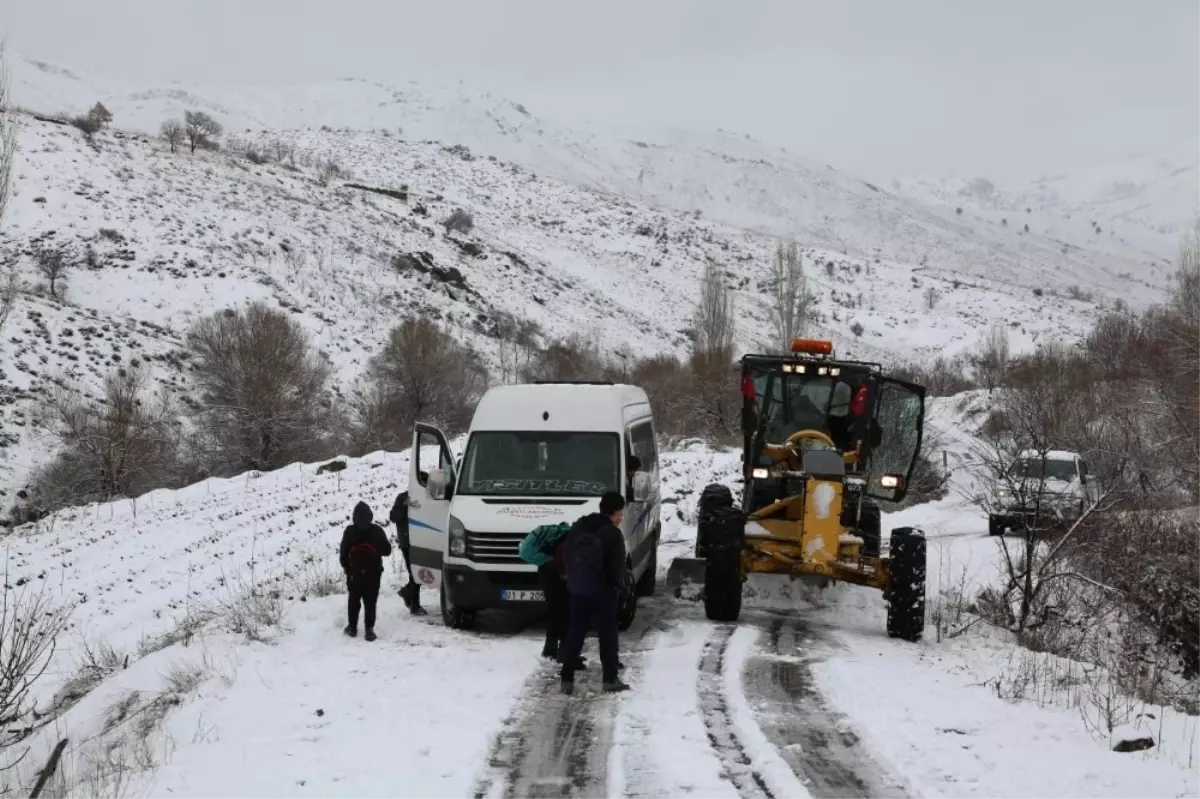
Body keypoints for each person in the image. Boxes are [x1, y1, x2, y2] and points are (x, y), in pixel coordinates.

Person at [559, 491, 632, 695]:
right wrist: (617, 586)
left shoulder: (579, 526)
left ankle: (566, 678)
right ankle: (609, 679)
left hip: (578, 587)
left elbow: (567, 554)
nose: (621, 517)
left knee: (575, 632)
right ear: (614, 512)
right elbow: (616, 566)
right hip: (603, 591)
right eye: (620, 513)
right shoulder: (612, 534)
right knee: (607, 634)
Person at [518, 521, 584, 670]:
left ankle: (550, 650)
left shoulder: (564, 536)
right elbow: (566, 567)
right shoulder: (573, 541)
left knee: (555, 612)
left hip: (547, 573)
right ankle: (566, 655)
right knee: (566, 614)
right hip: (555, 575)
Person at [340, 501, 392, 641]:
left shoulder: (350, 531)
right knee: (370, 601)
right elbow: (387, 551)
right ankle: (369, 629)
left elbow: (343, 552)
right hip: (373, 573)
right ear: (370, 516)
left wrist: (346, 567)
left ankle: (352, 627)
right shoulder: (377, 530)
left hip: (354, 573)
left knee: (354, 599)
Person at [389, 490, 427, 615]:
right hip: (408, 542)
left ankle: (407, 594)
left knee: (417, 574)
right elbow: (393, 517)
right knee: (415, 574)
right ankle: (414, 605)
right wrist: (403, 505)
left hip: (420, 540)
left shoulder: (426, 497)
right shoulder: (402, 497)